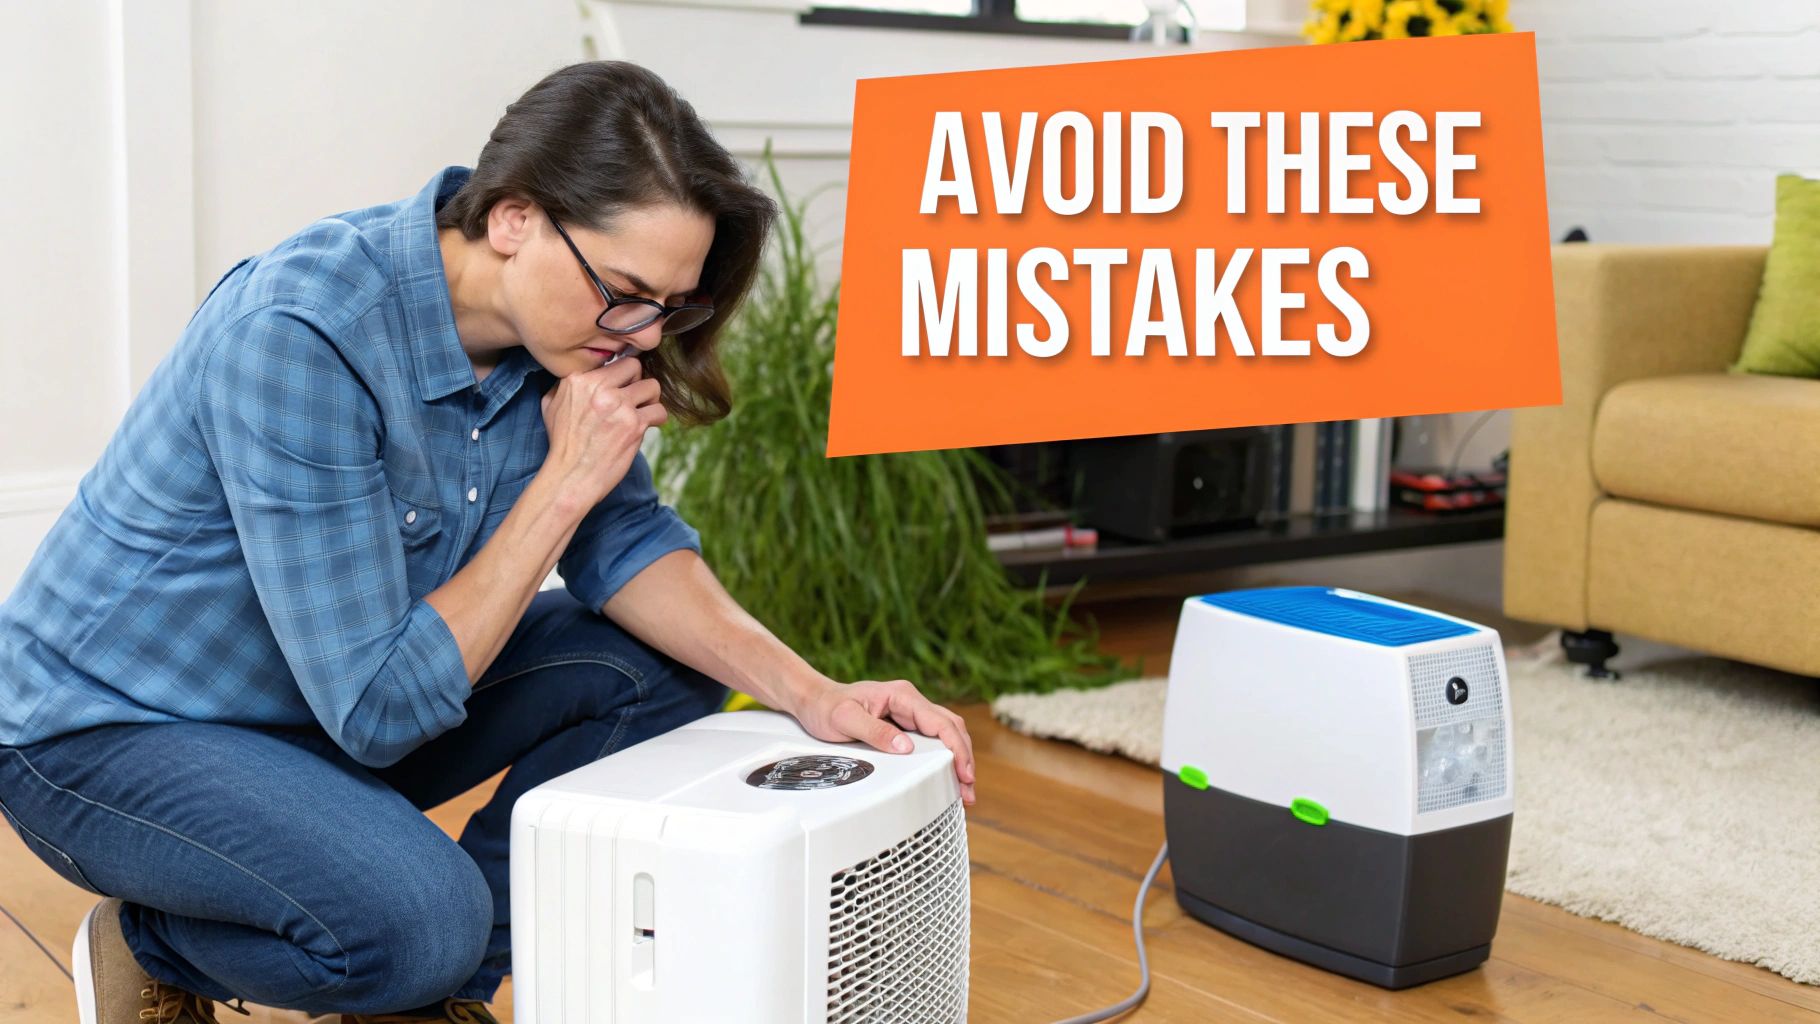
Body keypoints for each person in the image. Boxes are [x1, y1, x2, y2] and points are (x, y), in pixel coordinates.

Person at [0, 61, 975, 1024]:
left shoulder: (563, 341)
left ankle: (429, 993)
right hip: (103, 735)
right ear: (512, 218)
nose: (640, 336)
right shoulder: (301, 332)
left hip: (311, 717)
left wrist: (817, 693)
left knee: (650, 668)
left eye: (666, 308)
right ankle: (157, 941)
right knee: (418, 924)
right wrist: (562, 482)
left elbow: (627, 542)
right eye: (624, 289)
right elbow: (379, 707)